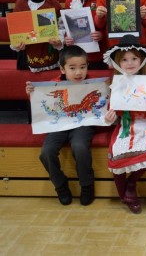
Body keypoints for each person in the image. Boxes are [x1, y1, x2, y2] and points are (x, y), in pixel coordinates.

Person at [103, 34, 146, 214]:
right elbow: (112, 111)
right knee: (117, 154)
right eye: (124, 59)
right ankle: (124, 194)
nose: (130, 63)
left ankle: (131, 183)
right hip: (126, 126)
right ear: (117, 62)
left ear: (142, 60)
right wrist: (109, 118)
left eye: (134, 58)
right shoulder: (114, 84)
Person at [25, 46, 96, 206]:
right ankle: (60, 185)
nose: (78, 72)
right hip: (59, 125)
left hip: (82, 125)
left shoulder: (94, 84)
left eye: (82, 67)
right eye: (72, 68)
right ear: (62, 69)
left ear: (87, 67)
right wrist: (31, 93)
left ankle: (86, 185)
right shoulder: (53, 85)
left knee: (79, 146)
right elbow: (41, 105)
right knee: (46, 151)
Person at [11, 0, 63, 72]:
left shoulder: (54, 4)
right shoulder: (20, 4)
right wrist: (17, 44)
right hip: (27, 58)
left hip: (49, 56)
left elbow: (61, 27)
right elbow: (16, 32)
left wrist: (59, 41)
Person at [63, 0, 108, 70]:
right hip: (76, 54)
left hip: (98, 53)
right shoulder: (69, 0)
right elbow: (66, 24)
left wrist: (102, 34)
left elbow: (110, 24)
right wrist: (66, 37)